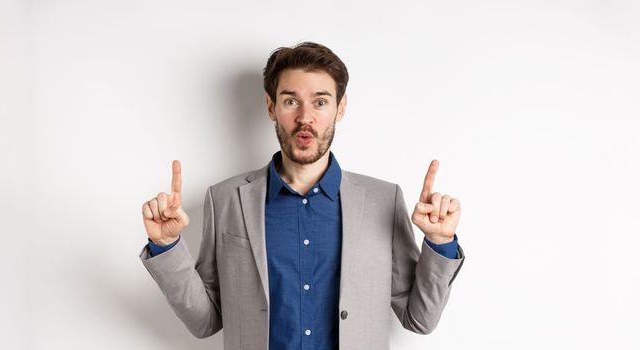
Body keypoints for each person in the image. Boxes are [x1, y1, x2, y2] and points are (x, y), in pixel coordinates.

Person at [139, 42, 465, 350]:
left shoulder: (384, 200)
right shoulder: (225, 199)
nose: (305, 117)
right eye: (291, 101)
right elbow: (205, 321)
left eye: (320, 101)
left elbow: (419, 319)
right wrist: (166, 247)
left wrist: (439, 243)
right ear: (271, 107)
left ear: (340, 108)